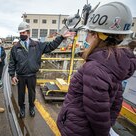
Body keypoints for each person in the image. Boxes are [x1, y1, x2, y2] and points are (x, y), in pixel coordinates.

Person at [57, 2, 136, 136]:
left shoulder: (95, 68)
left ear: (97, 36)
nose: (87, 36)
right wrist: (108, 126)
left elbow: (97, 113)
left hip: (77, 129)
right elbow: (116, 102)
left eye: (90, 31)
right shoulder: (115, 64)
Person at [8, 21, 75, 118]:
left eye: (23, 32)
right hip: (21, 76)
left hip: (32, 75)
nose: (22, 35)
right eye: (20, 33)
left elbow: (51, 46)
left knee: (32, 94)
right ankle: (22, 108)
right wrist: (12, 75)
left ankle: (31, 107)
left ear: (28, 33)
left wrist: (61, 37)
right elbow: (12, 63)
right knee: (21, 94)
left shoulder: (37, 45)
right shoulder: (15, 48)